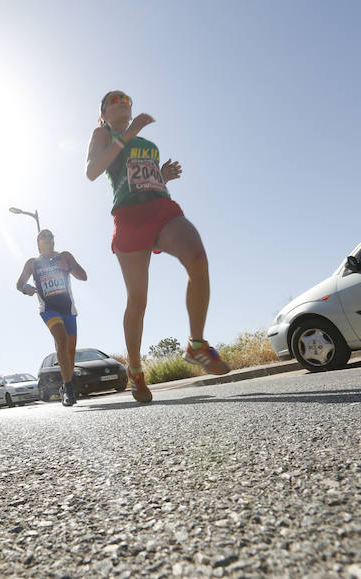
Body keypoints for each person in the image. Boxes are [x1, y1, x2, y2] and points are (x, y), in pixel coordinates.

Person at [85, 90, 231, 403]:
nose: (122, 103)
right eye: (114, 101)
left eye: (127, 101)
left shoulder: (148, 145)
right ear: (103, 114)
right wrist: (129, 134)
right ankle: (136, 370)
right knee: (138, 301)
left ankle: (196, 345)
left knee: (198, 260)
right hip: (129, 217)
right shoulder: (102, 134)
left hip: (161, 208)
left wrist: (162, 177)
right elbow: (92, 171)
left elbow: (141, 179)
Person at [16, 229, 87, 406]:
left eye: (50, 236)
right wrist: (27, 289)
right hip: (48, 308)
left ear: (54, 241)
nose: (48, 239)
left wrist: (68, 267)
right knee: (61, 339)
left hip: (67, 307)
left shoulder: (64, 256)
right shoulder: (32, 263)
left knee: (70, 350)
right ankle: (69, 388)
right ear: (38, 242)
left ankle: (65, 385)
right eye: (44, 236)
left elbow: (83, 276)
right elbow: (19, 283)